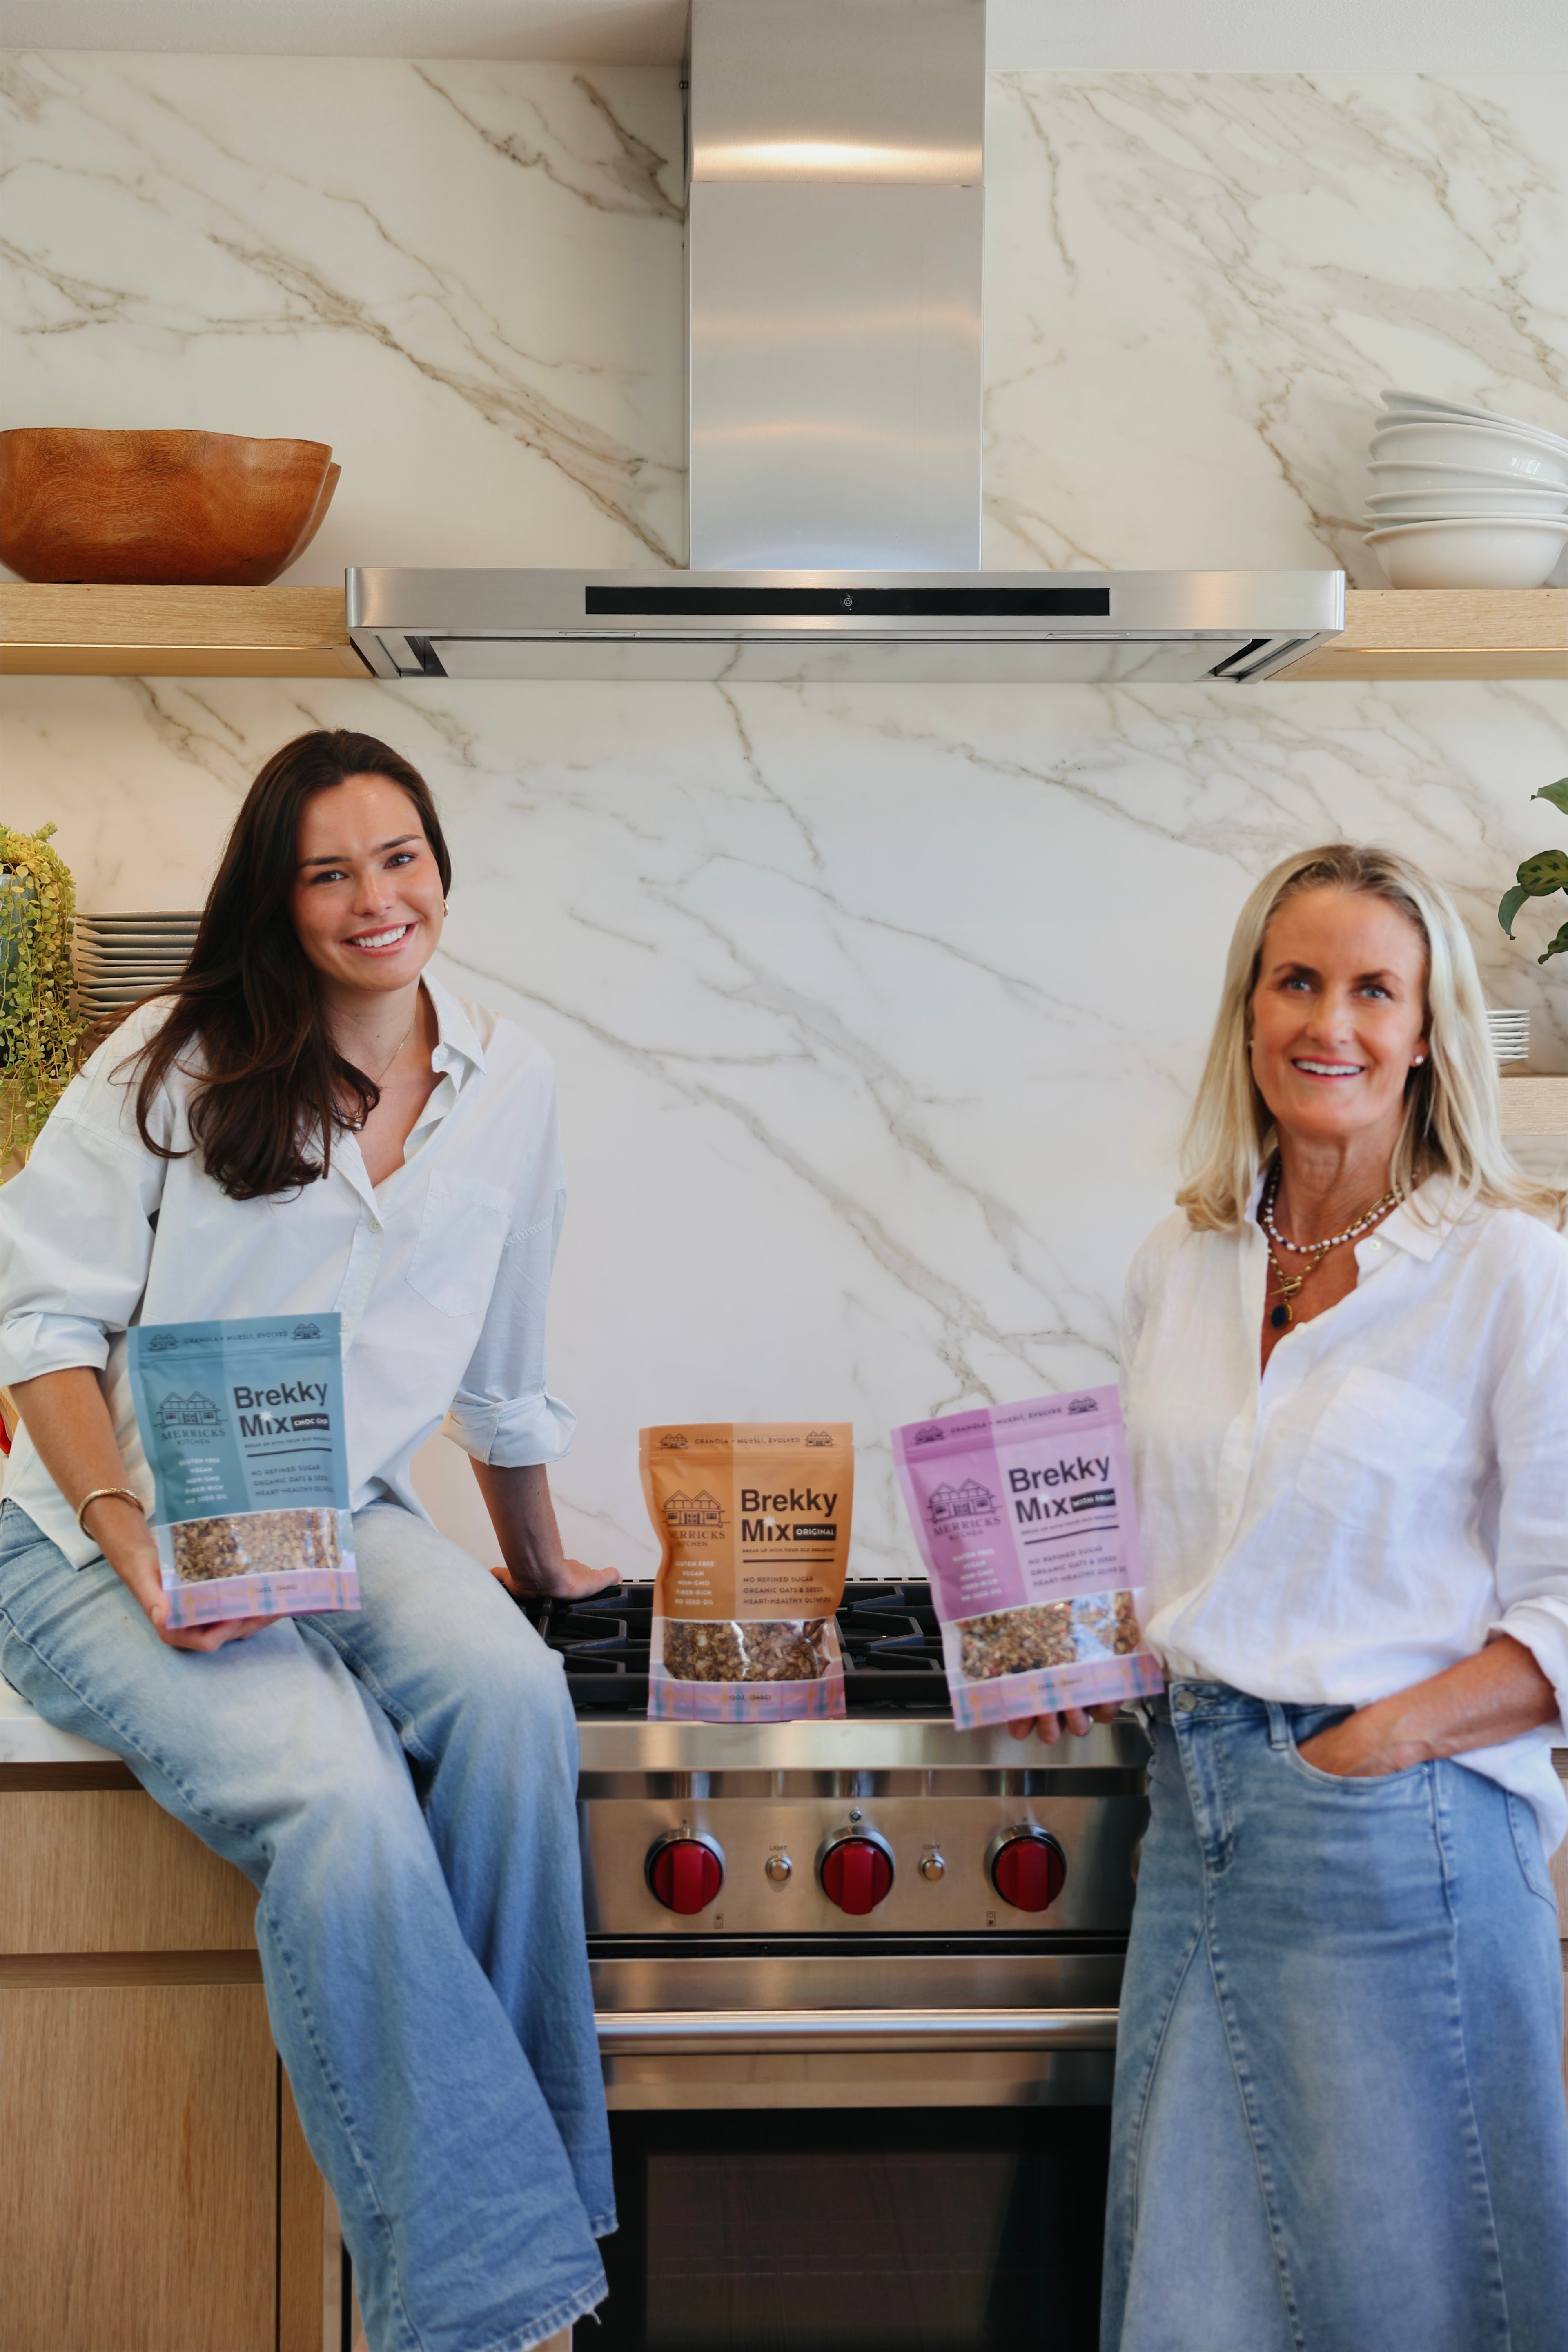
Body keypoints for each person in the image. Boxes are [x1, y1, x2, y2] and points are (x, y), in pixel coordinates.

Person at [0, 729, 618, 2352]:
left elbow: (504, 1361)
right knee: (333, 1792)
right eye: (329, 870)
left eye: (399, 856)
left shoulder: (515, 1079)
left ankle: (511, 2226)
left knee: (508, 1700)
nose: (374, 897)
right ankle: (500, 2312)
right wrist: (134, 1543)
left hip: (337, 1509)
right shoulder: (174, 1059)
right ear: (280, 900)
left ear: (441, 866)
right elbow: (38, 1329)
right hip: (89, 1540)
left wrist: (541, 1566)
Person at [1013, 842, 1567, 2352]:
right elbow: (1181, 1563)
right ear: (1249, 1015)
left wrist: (1361, 1752)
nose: (1331, 1021)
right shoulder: (1181, 1264)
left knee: (1416, 2309)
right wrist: (1085, 1641)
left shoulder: (1509, 1271)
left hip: (1400, 1841)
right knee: (1191, 2309)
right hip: (1191, 1825)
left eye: (1373, 989)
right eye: (1298, 981)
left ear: (1430, 1031)